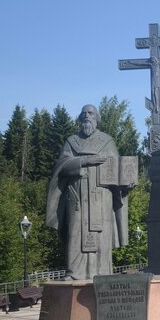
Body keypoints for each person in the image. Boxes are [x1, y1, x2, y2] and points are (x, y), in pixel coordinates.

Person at [46, 104, 133, 279]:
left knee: (102, 235)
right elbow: (61, 167)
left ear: (97, 118)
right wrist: (84, 161)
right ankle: (73, 272)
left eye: (91, 113)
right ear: (79, 119)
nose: (87, 116)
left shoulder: (107, 141)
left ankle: (102, 272)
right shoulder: (72, 142)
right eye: (84, 113)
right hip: (77, 196)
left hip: (102, 198)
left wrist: (126, 184)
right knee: (76, 233)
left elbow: (118, 171)